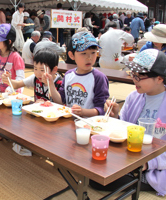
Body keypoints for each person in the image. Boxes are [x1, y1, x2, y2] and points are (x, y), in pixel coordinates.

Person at [91, 49, 166, 196]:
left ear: (159, 78)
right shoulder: (133, 96)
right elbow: (123, 129)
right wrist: (115, 117)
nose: (134, 80)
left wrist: (147, 164)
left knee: (99, 179)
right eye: (133, 74)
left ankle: (141, 177)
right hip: (129, 158)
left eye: (140, 76)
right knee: (93, 168)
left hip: (155, 165)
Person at [46, 31, 109, 117]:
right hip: (68, 123)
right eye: (83, 53)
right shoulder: (68, 75)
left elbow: (102, 109)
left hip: (88, 125)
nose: (89, 58)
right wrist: (51, 84)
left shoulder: (99, 78)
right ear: (71, 55)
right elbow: (60, 101)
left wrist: (83, 112)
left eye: (93, 52)